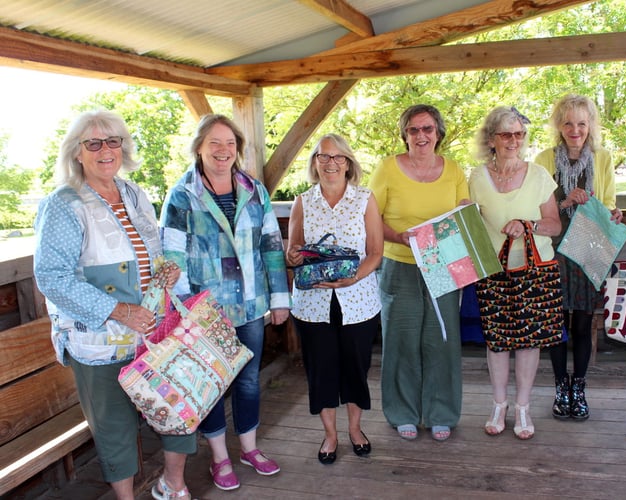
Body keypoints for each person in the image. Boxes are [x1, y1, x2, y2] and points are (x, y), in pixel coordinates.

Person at [33, 110, 195, 500]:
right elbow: (52, 277)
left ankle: (173, 485)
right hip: (100, 342)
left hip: (152, 332)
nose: (105, 150)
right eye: (94, 143)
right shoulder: (63, 204)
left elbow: (150, 253)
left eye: (113, 141)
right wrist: (120, 311)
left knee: (179, 409)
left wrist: (166, 271)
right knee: (115, 427)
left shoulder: (134, 193)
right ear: (77, 153)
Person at [160, 114, 291, 490]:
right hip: (206, 311)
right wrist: (187, 312)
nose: (223, 151)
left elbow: (270, 246)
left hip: (250, 305)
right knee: (211, 384)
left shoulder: (255, 190)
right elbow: (173, 257)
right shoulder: (182, 194)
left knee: (248, 380)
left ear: (238, 149)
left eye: (229, 144)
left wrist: (279, 298)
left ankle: (249, 448)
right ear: (199, 147)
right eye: (214, 143)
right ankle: (220, 458)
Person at [368, 104, 468, 441]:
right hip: (399, 262)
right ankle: (402, 412)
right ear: (405, 134)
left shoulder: (453, 170)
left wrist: (469, 212)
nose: (421, 136)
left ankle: (441, 412)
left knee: (441, 339)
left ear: (438, 133)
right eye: (413, 130)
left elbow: (462, 212)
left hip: (442, 262)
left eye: (427, 129)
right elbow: (371, 218)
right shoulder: (387, 169)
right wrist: (398, 237)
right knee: (401, 339)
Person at [286, 134, 383, 464]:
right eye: (323, 157)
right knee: (321, 371)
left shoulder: (365, 199)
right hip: (312, 305)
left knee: (356, 369)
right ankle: (330, 435)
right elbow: (292, 250)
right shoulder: (303, 201)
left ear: (349, 163)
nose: (330, 163)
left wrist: (352, 278)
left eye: (338, 157)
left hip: (359, 302)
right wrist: (294, 256)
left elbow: (376, 253)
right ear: (314, 162)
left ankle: (356, 430)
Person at [469, 106, 563, 439]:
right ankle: (499, 404)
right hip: (493, 271)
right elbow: (468, 225)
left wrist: (529, 225)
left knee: (528, 342)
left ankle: (522, 408)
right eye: (506, 134)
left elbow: (554, 225)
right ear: (491, 139)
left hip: (534, 271)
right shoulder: (477, 178)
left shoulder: (538, 175)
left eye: (519, 134)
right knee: (496, 342)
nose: (514, 141)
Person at [534, 94, 623, 420]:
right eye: (568, 123)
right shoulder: (544, 159)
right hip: (553, 251)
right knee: (557, 325)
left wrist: (614, 213)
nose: (575, 130)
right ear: (559, 125)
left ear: (591, 126)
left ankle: (579, 387)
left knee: (583, 323)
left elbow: (610, 203)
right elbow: (535, 209)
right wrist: (565, 201)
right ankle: (560, 387)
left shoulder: (602, 158)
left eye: (582, 123)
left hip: (589, 249)